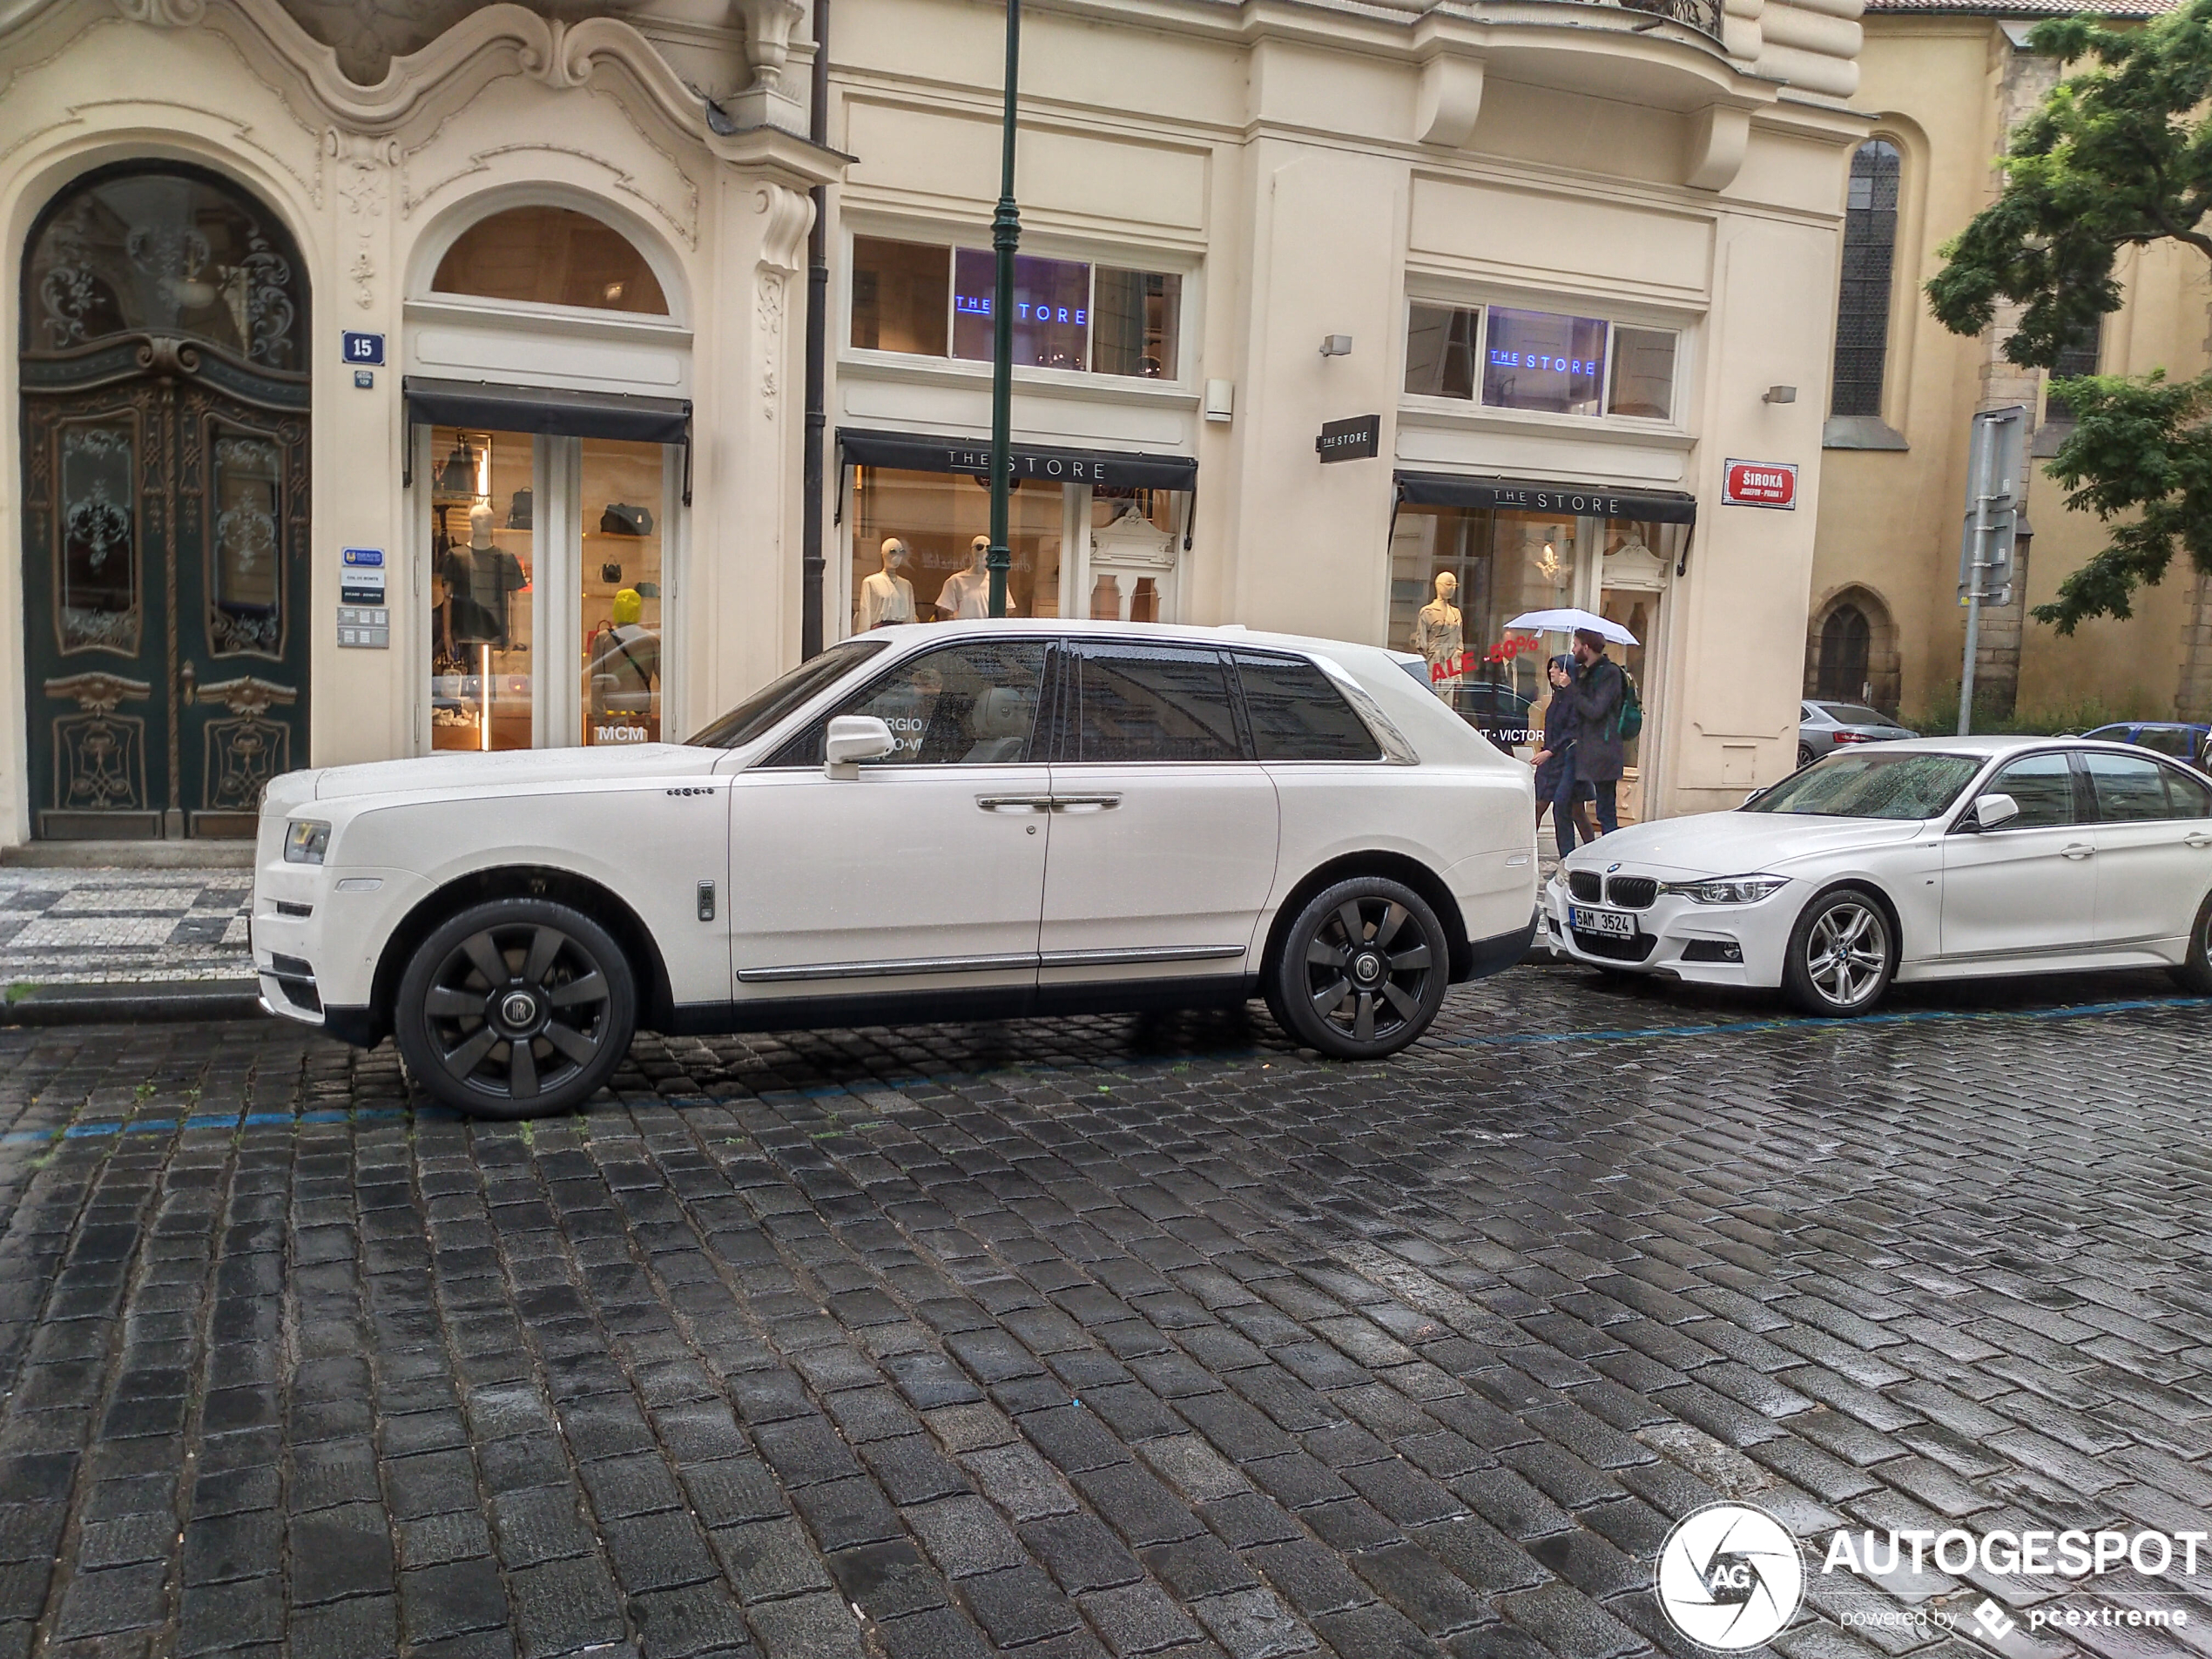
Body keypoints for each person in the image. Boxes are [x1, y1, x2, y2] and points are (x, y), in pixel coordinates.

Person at [1531, 654, 1596, 858]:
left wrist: (1550, 751)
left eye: (1557, 668)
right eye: (1551, 667)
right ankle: (1527, 852)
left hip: (1566, 761)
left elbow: (1573, 730)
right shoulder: (1557, 696)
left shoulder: (1576, 698)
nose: (1552, 671)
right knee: (1539, 805)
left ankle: (1591, 851)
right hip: (1551, 761)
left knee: (1574, 810)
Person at [1567, 626, 1626, 836]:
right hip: (1584, 749)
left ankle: (1610, 851)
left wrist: (1572, 689)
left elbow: (1595, 710)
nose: (1572, 650)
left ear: (1586, 647)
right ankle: (1580, 850)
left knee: (1605, 811)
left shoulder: (1609, 673)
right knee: (1567, 801)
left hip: (1603, 750)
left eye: (1575, 645)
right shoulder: (1585, 672)